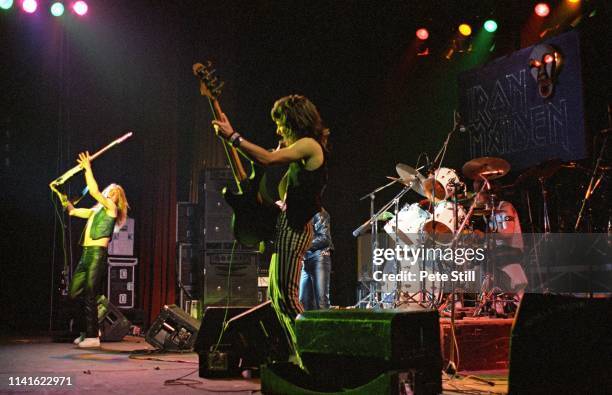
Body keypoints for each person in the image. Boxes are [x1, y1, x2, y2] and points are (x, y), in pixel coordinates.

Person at [211, 94, 329, 360]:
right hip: (286, 225)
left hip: (295, 228)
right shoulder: (299, 152)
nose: (277, 130)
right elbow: (260, 160)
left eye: (280, 124)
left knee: (287, 297)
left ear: (294, 122)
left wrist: (234, 137)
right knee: (277, 298)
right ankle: (295, 357)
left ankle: (313, 356)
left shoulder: (309, 145)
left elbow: (265, 158)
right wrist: (229, 136)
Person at [50, 152, 129, 348]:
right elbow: (73, 211)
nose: (110, 193)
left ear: (117, 199)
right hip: (86, 254)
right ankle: (85, 332)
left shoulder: (111, 208)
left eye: (114, 193)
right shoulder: (96, 211)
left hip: (96, 255)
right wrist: (62, 195)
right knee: (74, 294)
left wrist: (87, 168)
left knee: (90, 293)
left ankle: (94, 336)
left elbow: (94, 192)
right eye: (109, 190)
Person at [299, 208, 333, 310]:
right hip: (306, 260)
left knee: (321, 300)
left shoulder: (319, 213)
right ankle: (309, 326)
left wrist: (303, 244)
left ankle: (325, 326)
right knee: (303, 301)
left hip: (320, 258)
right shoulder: (301, 214)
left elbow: (325, 239)